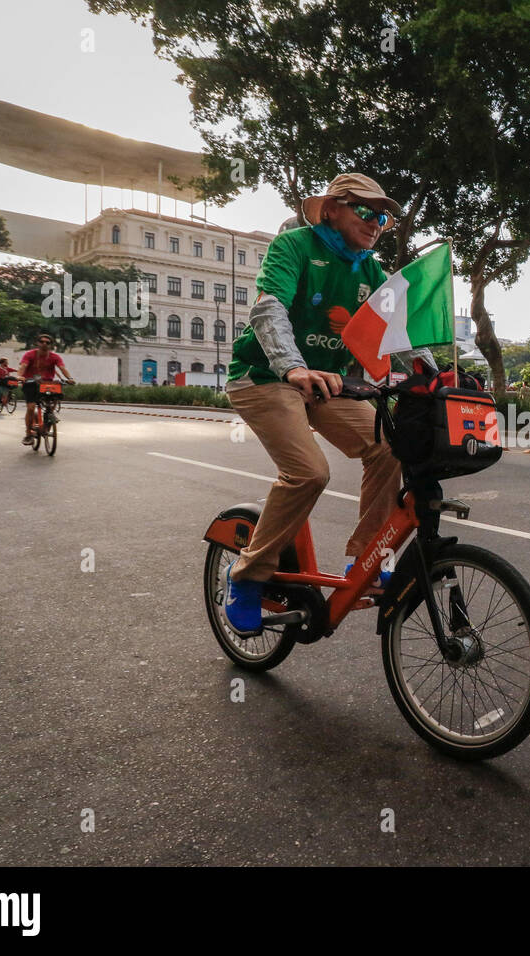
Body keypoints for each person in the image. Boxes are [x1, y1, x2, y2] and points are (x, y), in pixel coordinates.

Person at [222, 172, 408, 634]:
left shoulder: (369, 269)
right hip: (265, 376)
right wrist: (291, 366)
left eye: (383, 216)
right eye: (366, 211)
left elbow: (397, 333)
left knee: (390, 446)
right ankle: (246, 578)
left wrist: (442, 375)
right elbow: (269, 308)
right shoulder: (295, 246)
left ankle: (365, 560)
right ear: (331, 210)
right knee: (309, 472)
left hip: (326, 384)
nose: (377, 222)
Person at [18, 334, 75, 445]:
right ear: (37, 343)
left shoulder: (54, 357)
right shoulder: (29, 354)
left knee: (55, 396)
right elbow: (23, 366)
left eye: (47, 342)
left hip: (47, 384)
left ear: (50, 345)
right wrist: (20, 376)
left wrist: (69, 378)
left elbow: (62, 368)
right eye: (42, 341)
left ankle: (49, 416)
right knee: (31, 408)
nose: (44, 344)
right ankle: (28, 434)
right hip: (30, 383)